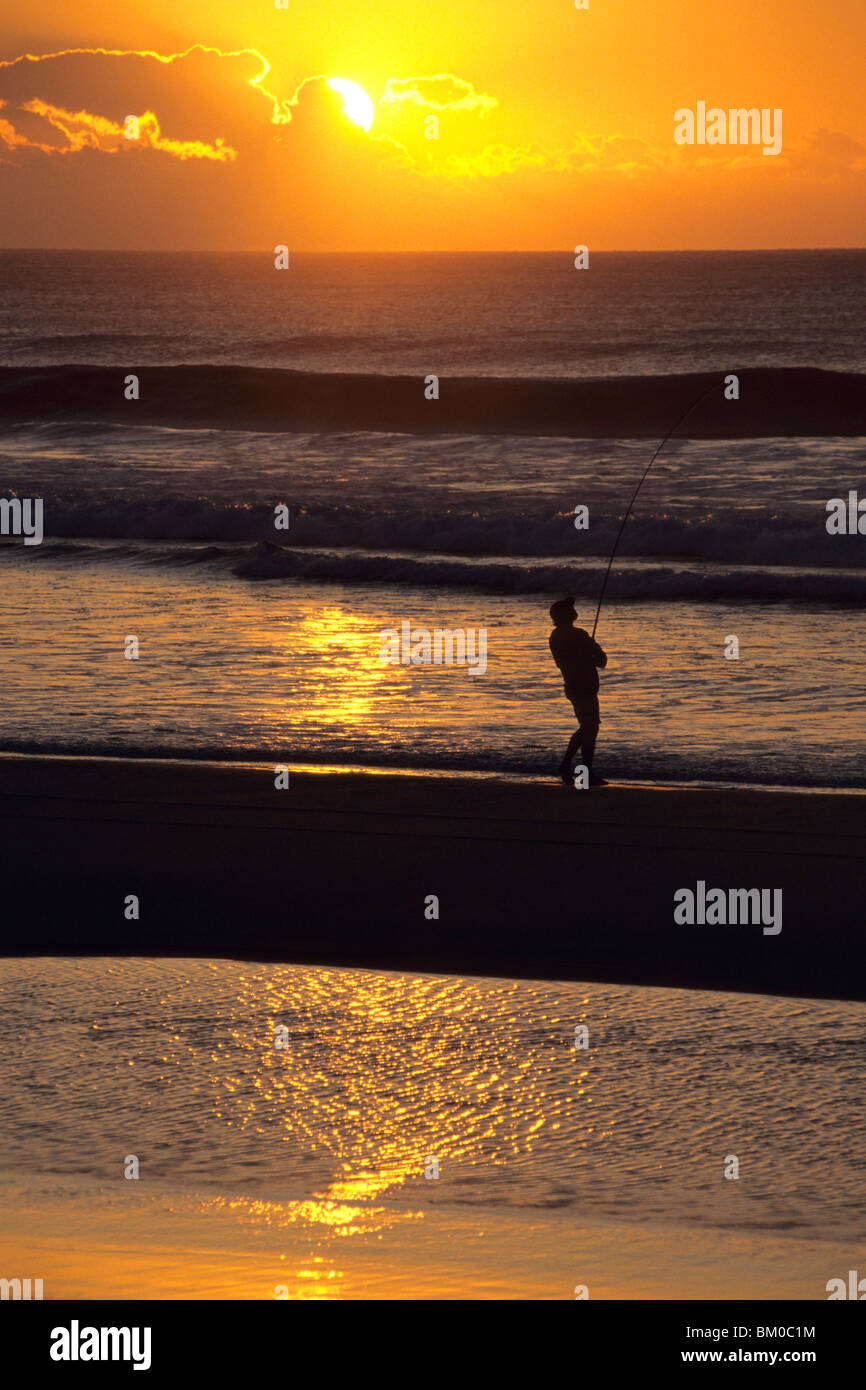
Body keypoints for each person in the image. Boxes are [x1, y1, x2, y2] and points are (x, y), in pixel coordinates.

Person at [548, 595, 608, 786]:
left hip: (574, 686)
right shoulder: (579, 635)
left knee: (589, 727)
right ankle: (579, 770)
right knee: (590, 727)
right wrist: (592, 648)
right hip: (584, 686)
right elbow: (602, 661)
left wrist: (589, 649)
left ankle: (571, 767)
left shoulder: (555, 636)